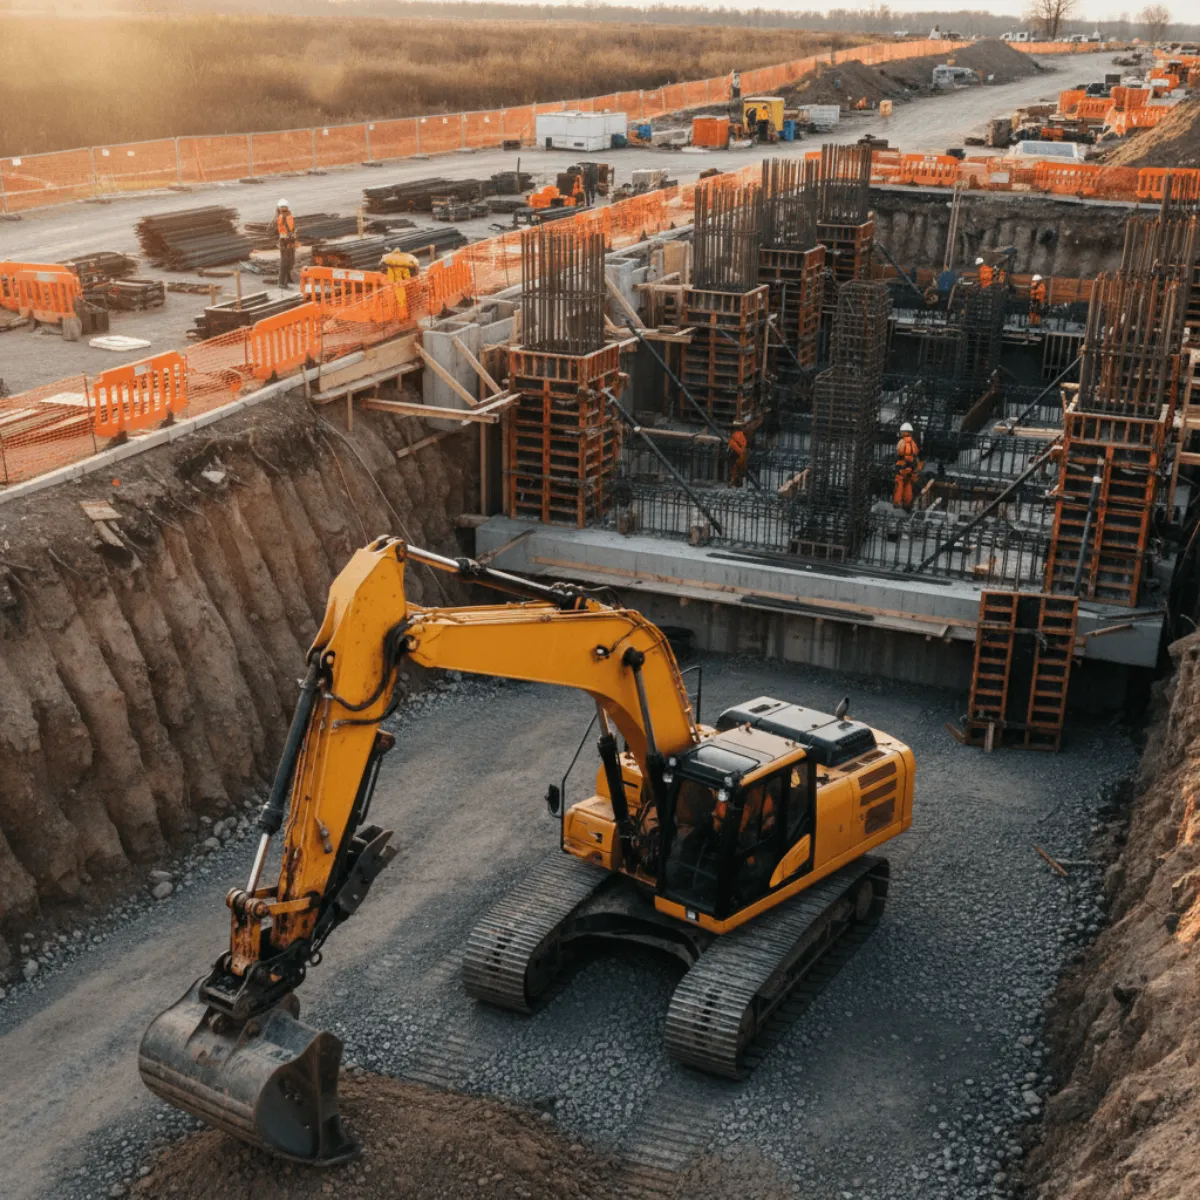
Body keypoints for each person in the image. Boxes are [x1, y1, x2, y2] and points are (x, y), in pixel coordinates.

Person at [893, 421, 922, 510]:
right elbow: (916, 453)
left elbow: (899, 453)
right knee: (908, 485)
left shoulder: (901, 442)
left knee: (899, 484)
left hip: (902, 468)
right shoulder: (913, 443)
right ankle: (907, 503)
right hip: (910, 469)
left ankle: (897, 503)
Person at [276, 200, 296, 290]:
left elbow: (292, 228)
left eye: (285, 207)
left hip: (290, 241)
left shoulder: (288, 216)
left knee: (291, 261)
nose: (284, 208)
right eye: (282, 207)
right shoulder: (282, 217)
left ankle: (288, 278)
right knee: (284, 262)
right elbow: (286, 229)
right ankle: (281, 282)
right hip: (284, 242)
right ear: (279, 208)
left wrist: (294, 238)